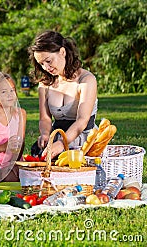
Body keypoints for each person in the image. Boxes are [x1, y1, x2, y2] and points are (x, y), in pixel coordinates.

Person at [28, 30, 98, 158]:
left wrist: (62, 143)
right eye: (41, 64)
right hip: (57, 136)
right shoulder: (45, 84)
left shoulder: (86, 80)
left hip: (83, 138)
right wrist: (45, 134)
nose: (46, 68)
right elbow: (45, 118)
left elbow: (82, 120)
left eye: (48, 61)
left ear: (62, 52)